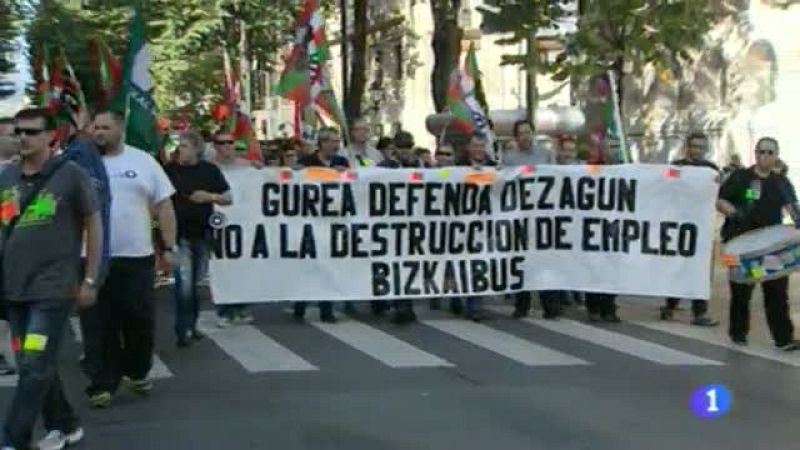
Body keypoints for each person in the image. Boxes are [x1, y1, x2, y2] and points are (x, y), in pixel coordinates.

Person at [0, 107, 102, 450]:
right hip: (14, 292)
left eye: (31, 132)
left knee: (34, 362)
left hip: (52, 289)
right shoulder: (6, 178)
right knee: (33, 363)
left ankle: (12, 438)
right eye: (19, 132)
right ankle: (66, 423)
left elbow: (94, 223)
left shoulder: (70, 174)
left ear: (50, 136)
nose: (23, 138)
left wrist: (90, 278)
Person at [83, 110, 177, 408]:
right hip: (92, 259)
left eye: (105, 127)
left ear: (120, 129)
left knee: (139, 318)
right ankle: (102, 383)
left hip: (136, 256)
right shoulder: (78, 163)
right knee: (98, 322)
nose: (99, 132)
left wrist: (170, 246)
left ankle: (137, 371)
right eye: (95, 127)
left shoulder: (143, 161)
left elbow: (164, 206)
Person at [717, 137, 799, 350]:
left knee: (777, 292)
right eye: (761, 151)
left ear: (776, 155)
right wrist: (734, 212)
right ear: (755, 154)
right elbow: (721, 200)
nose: (765, 156)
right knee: (741, 292)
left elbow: (792, 205)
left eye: (770, 152)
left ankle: (783, 338)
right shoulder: (742, 177)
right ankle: (738, 334)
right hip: (739, 244)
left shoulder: (780, 182)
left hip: (770, 247)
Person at [165, 131, 232, 347]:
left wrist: (209, 196)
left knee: (195, 285)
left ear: (196, 149)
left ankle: (192, 324)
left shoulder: (209, 171)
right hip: (179, 235)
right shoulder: (169, 171)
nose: (179, 150)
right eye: (178, 146)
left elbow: (228, 197)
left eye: (184, 146)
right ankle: (182, 328)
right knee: (183, 285)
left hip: (203, 235)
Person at [660, 133, 720, 327]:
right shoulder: (676, 166)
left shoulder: (711, 170)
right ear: (688, 147)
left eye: (702, 147)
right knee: (678, 267)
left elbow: (720, 192)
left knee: (700, 270)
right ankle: (669, 305)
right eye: (695, 146)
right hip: (679, 225)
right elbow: (665, 181)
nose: (698, 150)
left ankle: (699, 313)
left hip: (702, 227)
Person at [294, 127, 349, 323]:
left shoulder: (341, 162)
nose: (335, 145)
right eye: (332, 141)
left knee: (329, 266)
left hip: (332, 222)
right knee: (307, 266)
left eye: (337, 141)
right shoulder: (307, 162)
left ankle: (327, 309)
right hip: (309, 222)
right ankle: (299, 303)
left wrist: (348, 174)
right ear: (322, 143)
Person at [377, 131, 426, 324]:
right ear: (395, 148)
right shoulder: (384, 167)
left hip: (412, 224)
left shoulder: (419, 166)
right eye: (402, 147)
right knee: (391, 264)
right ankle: (391, 302)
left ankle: (405, 304)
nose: (406, 150)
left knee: (408, 266)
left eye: (409, 146)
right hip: (390, 224)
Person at [210, 130, 257, 326]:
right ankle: (224, 309)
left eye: (230, 143)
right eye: (222, 143)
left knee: (243, 264)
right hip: (218, 223)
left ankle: (241, 306)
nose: (227, 147)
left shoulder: (247, 167)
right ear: (215, 147)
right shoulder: (209, 168)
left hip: (244, 223)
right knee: (222, 266)